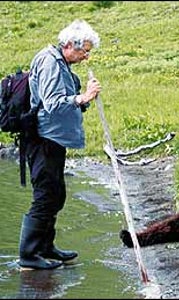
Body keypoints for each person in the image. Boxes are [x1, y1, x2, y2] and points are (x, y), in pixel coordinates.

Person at [18, 19, 101, 269]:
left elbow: (65, 100)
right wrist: (83, 97)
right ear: (68, 45)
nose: (86, 56)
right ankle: (29, 256)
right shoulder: (50, 62)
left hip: (55, 138)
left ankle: (45, 247)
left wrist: (84, 99)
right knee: (45, 196)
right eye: (83, 50)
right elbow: (52, 103)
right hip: (42, 138)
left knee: (56, 194)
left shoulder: (61, 63)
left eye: (88, 51)